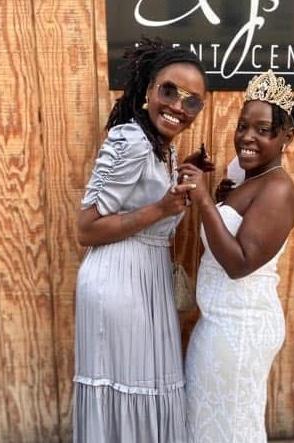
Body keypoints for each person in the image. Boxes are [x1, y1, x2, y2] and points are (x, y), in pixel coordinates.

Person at [73, 38, 208, 443]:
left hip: (146, 280)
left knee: (146, 386)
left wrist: (179, 177)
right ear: (149, 89)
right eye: (169, 91)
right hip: (119, 280)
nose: (178, 107)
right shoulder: (130, 139)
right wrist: (161, 208)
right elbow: (86, 229)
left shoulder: (161, 147)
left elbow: (139, 197)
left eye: (192, 102)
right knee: (131, 388)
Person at [181, 70, 294, 442]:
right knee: (210, 426)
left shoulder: (278, 189)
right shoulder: (250, 179)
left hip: (241, 328)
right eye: (242, 126)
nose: (247, 137)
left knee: (232, 429)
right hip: (220, 324)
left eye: (263, 129)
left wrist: (205, 202)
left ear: (286, 136)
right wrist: (220, 199)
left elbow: (238, 264)